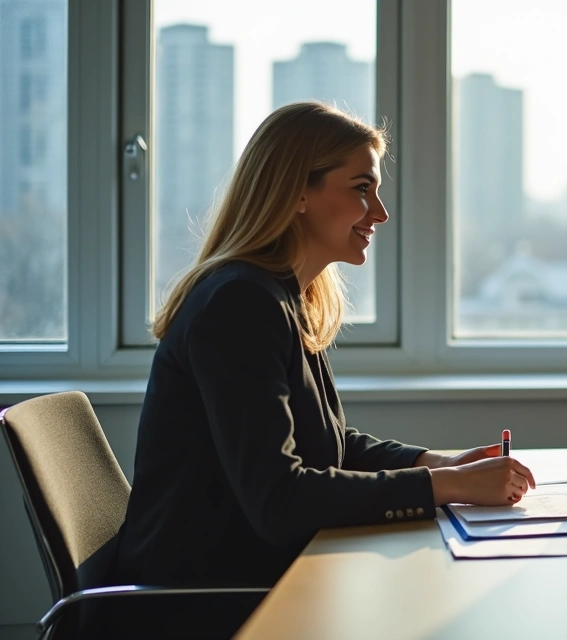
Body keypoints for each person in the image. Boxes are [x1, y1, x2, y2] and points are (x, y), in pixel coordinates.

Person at [103, 102, 535, 635]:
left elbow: (326, 442)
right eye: (361, 188)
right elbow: (280, 500)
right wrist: (444, 485)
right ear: (298, 193)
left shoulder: (278, 295)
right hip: (206, 603)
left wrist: (442, 464)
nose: (380, 212)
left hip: (253, 577)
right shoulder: (240, 305)